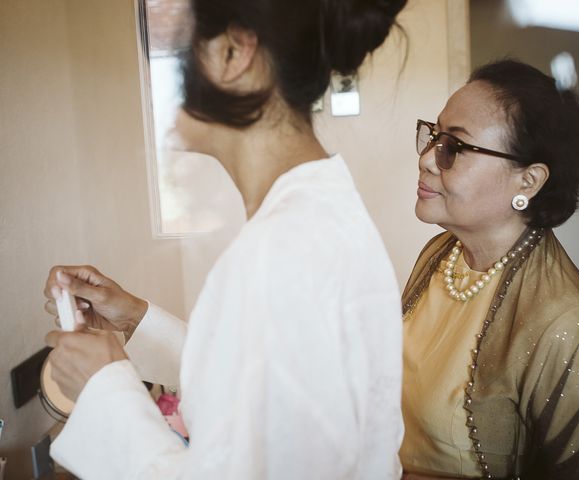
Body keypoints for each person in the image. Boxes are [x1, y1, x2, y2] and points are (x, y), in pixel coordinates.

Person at [42, 0, 407, 478]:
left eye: (177, 48)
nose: (162, 72)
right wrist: (135, 319)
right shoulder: (313, 218)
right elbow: (262, 392)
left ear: (235, 53)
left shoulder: (279, 253)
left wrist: (103, 389)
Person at [400, 59, 579, 479]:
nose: (426, 159)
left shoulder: (571, 327)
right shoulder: (440, 256)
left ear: (528, 182)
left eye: (454, 147)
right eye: (433, 136)